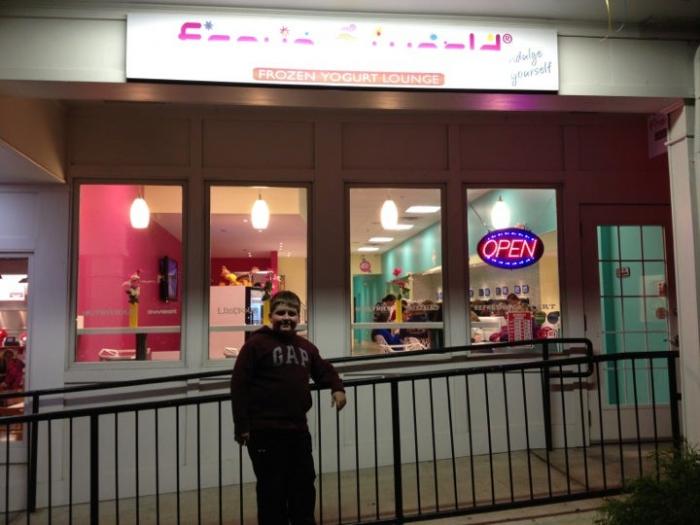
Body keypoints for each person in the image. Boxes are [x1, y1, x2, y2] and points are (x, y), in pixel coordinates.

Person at [230, 290, 346, 525]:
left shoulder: (306, 347)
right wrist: (242, 426)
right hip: (264, 432)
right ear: (270, 316)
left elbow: (323, 369)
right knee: (271, 490)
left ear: (298, 317)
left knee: (303, 485)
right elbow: (239, 385)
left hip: (297, 430)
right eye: (281, 313)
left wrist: (337, 387)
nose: (286, 318)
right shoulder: (255, 345)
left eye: (292, 314)